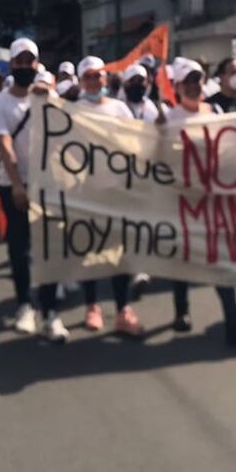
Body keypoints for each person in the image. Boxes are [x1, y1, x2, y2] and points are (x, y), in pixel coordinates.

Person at [157, 57, 236, 348]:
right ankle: (182, 310)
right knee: (182, 259)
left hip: (214, 200)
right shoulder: (169, 119)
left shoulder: (214, 111)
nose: (194, 86)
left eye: (197, 80)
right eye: (187, 81)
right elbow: (159, 160)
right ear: (178, 87)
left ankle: (233, 321)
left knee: (221, 261)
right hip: (183, 200)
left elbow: (228, 149)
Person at [0, 37, 67, 342]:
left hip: (49, 185)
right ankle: (24, 305)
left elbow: (64, 136)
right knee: (19, 249)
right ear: (11, 65)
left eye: (29, 61)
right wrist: (18, 185)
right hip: (15, 186)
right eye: (19, 61)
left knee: (50, 249)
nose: (24, 66)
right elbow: (3, 145)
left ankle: (50, 312)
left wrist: (51, 99)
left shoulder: (48, 97)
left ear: (37, 64)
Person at [74, 56, 145, 336]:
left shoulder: (119, 108)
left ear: (105, 78)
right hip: (87, 192)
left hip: (118, 190)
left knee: (120, 253)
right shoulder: (73, 111)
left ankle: (123, 310)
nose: (94, 81)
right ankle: (92, 306)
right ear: (81, 81)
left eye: (98, 75)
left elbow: (134, 142)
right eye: (88, 76)